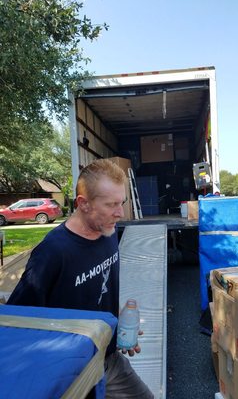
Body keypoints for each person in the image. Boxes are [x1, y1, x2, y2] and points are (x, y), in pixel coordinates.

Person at [7, 159, 154, 399]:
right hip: (70, 371)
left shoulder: (108, 231)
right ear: (83, 204)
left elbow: (99, 291)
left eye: (122, 203)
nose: (121, 213)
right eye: (111, 205)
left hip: (108, 358)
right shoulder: (53, 252)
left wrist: (120, 332)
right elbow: (17, 321)